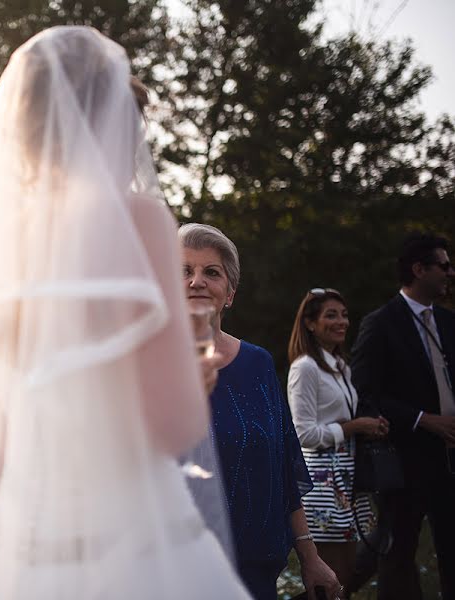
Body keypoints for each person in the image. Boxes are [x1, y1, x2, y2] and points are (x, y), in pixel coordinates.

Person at [0, 26, 251, 600]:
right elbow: (174, 425)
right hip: (133, 545)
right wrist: (194, 377)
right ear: (110, 120)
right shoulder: (139, 222)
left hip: (23, 547)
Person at [178, 223, 341, 600]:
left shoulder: (258, 364)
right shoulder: (145, 364)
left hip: (254, 569)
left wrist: (311, 557)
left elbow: (284, 466)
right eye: (184, 271)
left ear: (229, 293)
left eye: (211, 272)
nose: (197, 282)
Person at [350, 232, 455, 599]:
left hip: (451, 460)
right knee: (397, 555)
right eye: (443, 265)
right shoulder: (381, 324)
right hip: (405, 462)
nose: (450, 272)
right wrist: (422, 418)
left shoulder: (448, 322)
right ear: (418, 269)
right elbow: (364, 391)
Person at [287, 287, 388, 596]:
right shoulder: (304, 368)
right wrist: (353, 426)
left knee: (345, 576)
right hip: (321, 485)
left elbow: (340, 422)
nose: (341, 321)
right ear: (310, 323)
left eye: (344, 314)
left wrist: (367, 426)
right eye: (331, 315)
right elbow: (302, 434)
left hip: (347, 482)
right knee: (330, 581)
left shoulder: (341, 367)